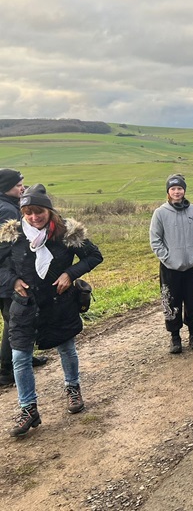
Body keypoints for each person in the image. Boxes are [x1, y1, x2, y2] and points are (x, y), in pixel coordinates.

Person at [0, 185, 103, 436]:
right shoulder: (12, 235)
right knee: (19, 358)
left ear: (49, 210)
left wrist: (70, 273)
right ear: (22, 213)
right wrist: (12, 281)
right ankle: (28, 408)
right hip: (24, 306)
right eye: (28, 213)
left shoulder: (66, 233)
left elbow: (94, 256)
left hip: (59, 304)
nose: (34, 218)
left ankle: (72, 388)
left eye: (39, 212)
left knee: (66, 349)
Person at [150, 174, 193, 354]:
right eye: (173, 189)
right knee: (171, 300)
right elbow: (155, 240)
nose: (177, 192)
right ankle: (175, 337)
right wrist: (167, 257)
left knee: (192, 300)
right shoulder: (160, 213)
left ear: (184, 190)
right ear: (168, 191)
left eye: (180, 188)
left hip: (192, 265)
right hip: (169, 266)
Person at [1, 169, 48, 387]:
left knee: (15, 319)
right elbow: (8, 249)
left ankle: (24, 357)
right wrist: (12, 277)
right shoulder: (6, 211)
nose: (22, 188)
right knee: (14, 322)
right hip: (8, 276)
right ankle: (7, 369)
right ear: (6, 186)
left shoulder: (8, 205)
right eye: (19, 184)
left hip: (7, 275)